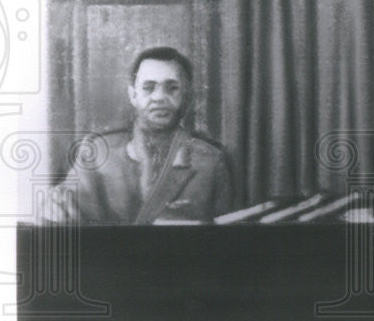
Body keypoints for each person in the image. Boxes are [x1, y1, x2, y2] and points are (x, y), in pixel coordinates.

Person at [44, 46, 233, 224]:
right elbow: (63, 209)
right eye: (148, 87)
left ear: (187, 96)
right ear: (133, 95)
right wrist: (53, 205)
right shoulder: (97, 153)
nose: (159, 97)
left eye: (172, 88)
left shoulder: (210, 162)